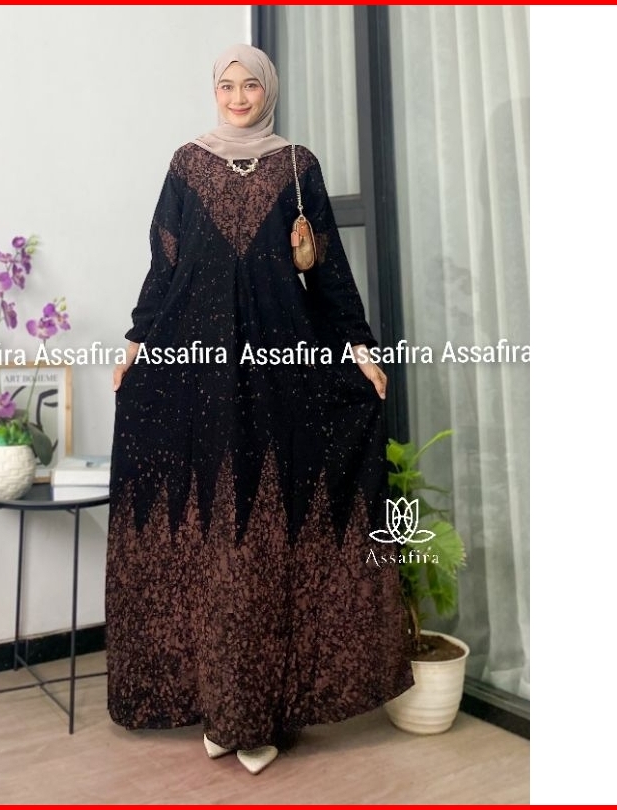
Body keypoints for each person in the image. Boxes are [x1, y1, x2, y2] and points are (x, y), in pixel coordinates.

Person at [106, 44, 413, 775]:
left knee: (268, 537)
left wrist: (358, 347)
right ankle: (221, 703)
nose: (238, 96)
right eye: (227, 85)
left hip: (282, 370)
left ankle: (261, 713)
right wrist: (137, 342)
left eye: (251, 85)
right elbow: (164, 262)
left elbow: (326, 268)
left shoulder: (297, 166)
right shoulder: (187, 165)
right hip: (199, 372)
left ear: (268, 92)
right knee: (215, 535)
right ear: (213, 92)